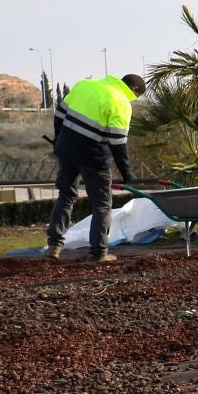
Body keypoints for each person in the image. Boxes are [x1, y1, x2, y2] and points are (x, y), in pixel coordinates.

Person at [45, 72, 146, 263]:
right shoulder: (122, 103)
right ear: (133, 90)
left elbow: (59, 115)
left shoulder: (85, 85)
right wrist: (126, 172)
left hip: (66, 151)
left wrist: (59, 139)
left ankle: (54, 246)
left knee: (66, 196)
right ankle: (99, 252)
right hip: (94, 158)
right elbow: (118, 143)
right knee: (101, 205)